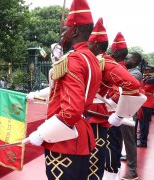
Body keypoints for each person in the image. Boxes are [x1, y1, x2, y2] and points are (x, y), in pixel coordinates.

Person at [24, 0, 102, 179]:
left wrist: (41, 133)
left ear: (74, 31)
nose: (63, 35)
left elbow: (71, 110)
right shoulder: (91, 59)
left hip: (64, 140)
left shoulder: (73, 61)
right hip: (80, 134)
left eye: (65, 31)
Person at [86, 19, 142, 180]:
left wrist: (118, 111)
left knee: (111, 148)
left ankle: (122, 172)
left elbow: (129, 87)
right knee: (110, 148)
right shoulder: (103, 62)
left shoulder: (109, 64)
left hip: (107, 112)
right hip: (103, 111)